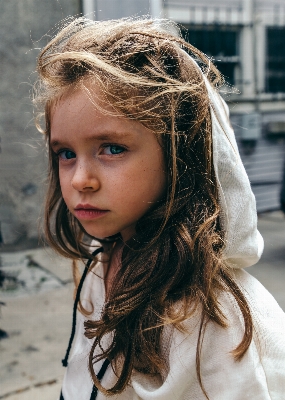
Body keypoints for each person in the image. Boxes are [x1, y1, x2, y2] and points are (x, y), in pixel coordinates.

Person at [34, 17, 285, 400]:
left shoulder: (213, 312)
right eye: (65, 153)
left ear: (179, 154)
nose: (79, 179)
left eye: (112, 148)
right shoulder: (104, 254)